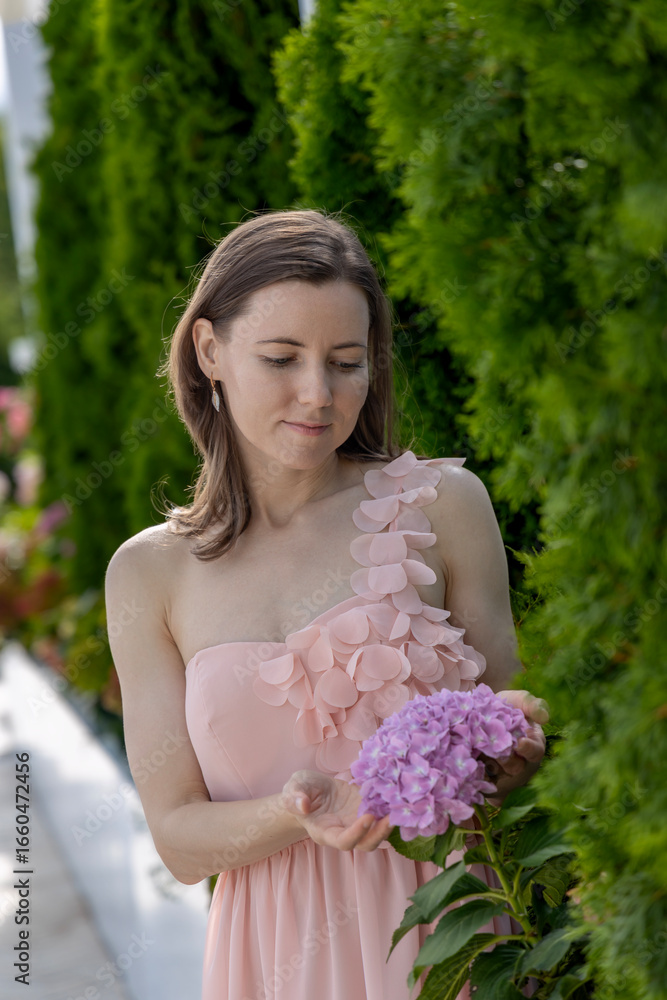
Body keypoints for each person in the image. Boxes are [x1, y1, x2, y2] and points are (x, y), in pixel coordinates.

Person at [104, 208, 548, 1000]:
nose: (317, 394)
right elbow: (176, 840)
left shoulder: (444, 505)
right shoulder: (148, 574)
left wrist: (512, 756)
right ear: (209, 350)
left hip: (451, 937)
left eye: (347, 362)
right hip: (273, 960)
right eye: (281, 358)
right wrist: (294, 812)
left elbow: (504, 724)